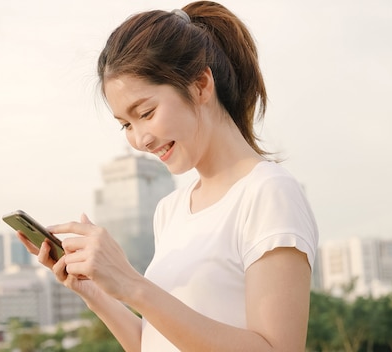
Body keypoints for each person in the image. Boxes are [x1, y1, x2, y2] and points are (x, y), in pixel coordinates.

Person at [16, 1, 319, 351]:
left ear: (201, 85)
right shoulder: (171, 210)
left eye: (146, 112)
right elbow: (156, 344)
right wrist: (95, 292)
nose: (140, 140)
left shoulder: (268, 193)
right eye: (126, 125)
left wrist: (132, 284)